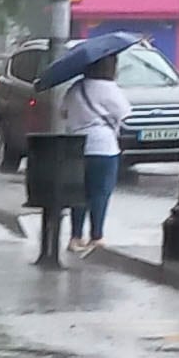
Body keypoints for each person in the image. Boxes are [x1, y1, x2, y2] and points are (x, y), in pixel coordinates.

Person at [65, 52, 131, 256]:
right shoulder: (110, 89)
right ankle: (97, 236)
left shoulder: (76, 88)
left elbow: (63, 111)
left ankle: (75, 237)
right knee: (100, 192)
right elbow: (125, 113)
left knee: (79, 193)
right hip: (104, 147)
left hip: (77, 145)